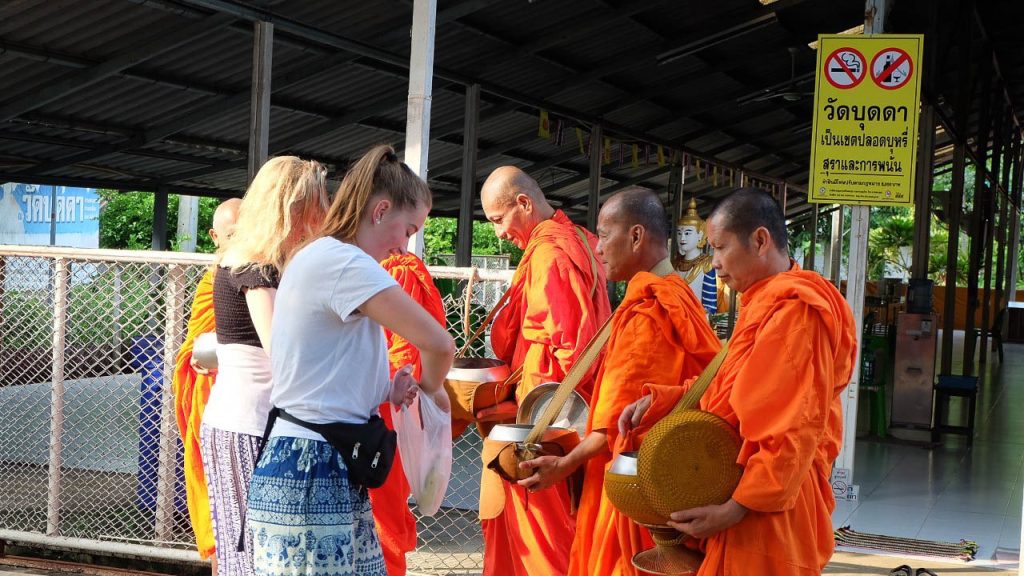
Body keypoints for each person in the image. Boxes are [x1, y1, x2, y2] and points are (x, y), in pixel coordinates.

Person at [619, 187, 857, 575]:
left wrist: (736, 508)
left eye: (720, 248)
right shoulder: (763, 301)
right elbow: (732, 387)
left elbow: (790, 430)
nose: (714, 264)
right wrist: (663, 401)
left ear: (760, 240)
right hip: (741, 487)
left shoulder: (796, 311)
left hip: (769, 508)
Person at [247, 145, 455, 576]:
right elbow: (440, 345)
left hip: (317, 455)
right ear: (380, 211)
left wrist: (386, 388)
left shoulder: (322, 256)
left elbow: (321, 364)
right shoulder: (345, 263)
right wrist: (434, 393)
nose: (405, 247)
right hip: (312, 462)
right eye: (408, 229)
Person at [517, 188, 721, 576]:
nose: (598, 249)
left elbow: (615, 427)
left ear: (637, 236)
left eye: (605, 235)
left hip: (630, 485)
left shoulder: (647, 311)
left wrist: (564, 464)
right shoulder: (678, 297)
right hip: (673, 478)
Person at [478, 166, 612, 576]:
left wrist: (552, 427)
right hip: (558, 411)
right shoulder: (578, 241)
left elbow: (572, 346)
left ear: (524, 203)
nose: (499, 233)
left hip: (546, 420)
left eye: (499, 220)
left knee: (543, 534)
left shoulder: (551, 254)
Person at [200, 157, 329, 576]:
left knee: (263, 553)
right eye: (317, 204)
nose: (322, 216)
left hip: (257, 423)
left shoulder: (264, 261)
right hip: (246, 426)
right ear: (291, 206)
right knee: (254, 555)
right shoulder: (254, 266)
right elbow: (281, 349)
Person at [172, 197, 240, 574]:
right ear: (215, 236)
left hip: (250, 407)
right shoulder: (214, 278)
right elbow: (196, 346)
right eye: (232, 234)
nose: (240, 240)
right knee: (220, 511)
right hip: (213, 402)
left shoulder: (261, 272)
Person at [371, 251, 447, 576]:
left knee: (382, 514)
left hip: (387, 407)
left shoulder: (397, 271)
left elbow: (404, 352)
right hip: (384, 404)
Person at [672, 198, 717, 315]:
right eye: (679, 233)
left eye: (687, 233)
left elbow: (710, 306)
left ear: (700, 235)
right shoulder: (674, 264)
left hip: (694, 322)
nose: (682, 238)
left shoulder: (707, 265)